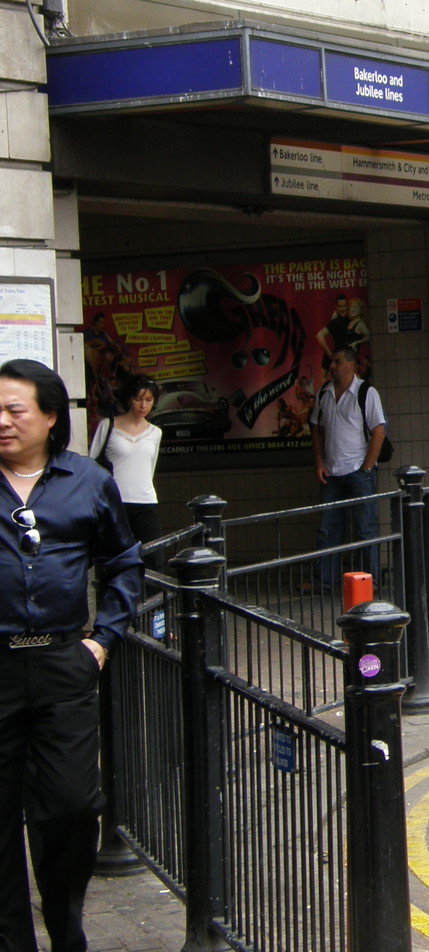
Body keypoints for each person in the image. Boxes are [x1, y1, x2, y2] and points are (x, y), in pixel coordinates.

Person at [0, 358, 143, 952]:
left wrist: (102, 641)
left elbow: (123, 562)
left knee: (70, 808)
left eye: (15, 410)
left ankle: (65, 925)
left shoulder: (88, 481)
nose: (3, 422)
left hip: (64, 665)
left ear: (51, 416)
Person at [309, 346, 386, 594]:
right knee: (328, 530)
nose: (332, 366)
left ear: (351, 365)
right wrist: (319, 462)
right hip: (332, 472)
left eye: (338, 361)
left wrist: (366, 467)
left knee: (366, 530)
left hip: (358, 471)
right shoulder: (324, 392)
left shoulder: (366, 392)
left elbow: (379, 431)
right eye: (331, 362)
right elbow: (315, 427)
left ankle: (369, 584)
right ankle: (326, 583)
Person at [88, 374, 163, 547]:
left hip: (146, 502)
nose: (143, 405)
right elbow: (92, 464)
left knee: (152, 558)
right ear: (129, 399)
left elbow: (149, 469)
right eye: (138, 399)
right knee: (114, 555)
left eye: (149, 400)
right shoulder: (108, 426)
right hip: (114, 502)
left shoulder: (156, 432)